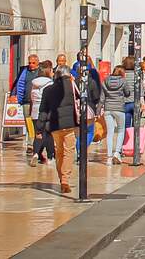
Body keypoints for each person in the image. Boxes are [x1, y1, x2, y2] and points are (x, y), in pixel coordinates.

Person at [39, 66, 80, 195]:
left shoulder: (48, 90)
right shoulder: (73, 86)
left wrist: (39, 128)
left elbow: (43, 110)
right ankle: (65, 179)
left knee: (59, 152)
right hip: (69, 124)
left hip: (54, 125)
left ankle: (62, 178)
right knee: (69, 151)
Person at [9, 54, 41, 153]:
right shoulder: (24, 71)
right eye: (29, 63)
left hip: (37, 103)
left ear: (38, 63)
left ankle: (38, 143)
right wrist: (14, 95)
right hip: (26, 102)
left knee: (38, 124)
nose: (31, 65)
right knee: (29, 123)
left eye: (33, 63)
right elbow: (17, 83)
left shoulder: (41, 72)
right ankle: (30, 144)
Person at [102, 66, 131, 165]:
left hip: (107, 108)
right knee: (121, 130)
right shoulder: (123, 81)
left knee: (110, 133)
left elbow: (102, 96)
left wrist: (98, 110)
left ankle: (109, 157)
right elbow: (127, 93)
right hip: (119, 108)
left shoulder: (105, 80)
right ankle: (117, 153)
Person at [27, 64, 54, 165]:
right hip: (44, 111)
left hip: (34, 111)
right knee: (48, 134)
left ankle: (36, 154)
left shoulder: (34, 83)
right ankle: (51, 156)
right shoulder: (49, 84)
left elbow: (31, 98)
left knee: (38, 134)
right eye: (51, 71)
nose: (53, 72)